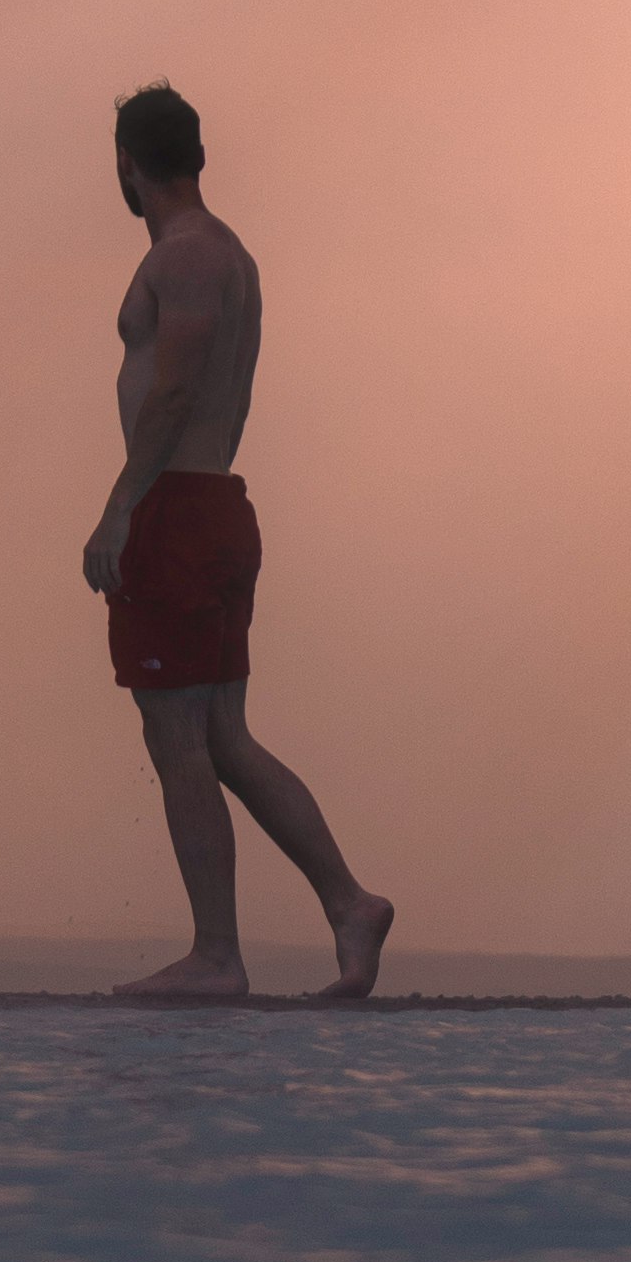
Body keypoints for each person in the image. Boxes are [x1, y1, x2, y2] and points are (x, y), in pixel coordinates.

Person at [81, 82, 395, 1004]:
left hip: (178, 506)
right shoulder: (236, 257)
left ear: (128, 166)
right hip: (215, 500)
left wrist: (123, 506)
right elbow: (231, 397)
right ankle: (349, 901)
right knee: (222, 734)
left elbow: (175, 389)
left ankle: (217, 954)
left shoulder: (186, 258)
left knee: (177, 736)